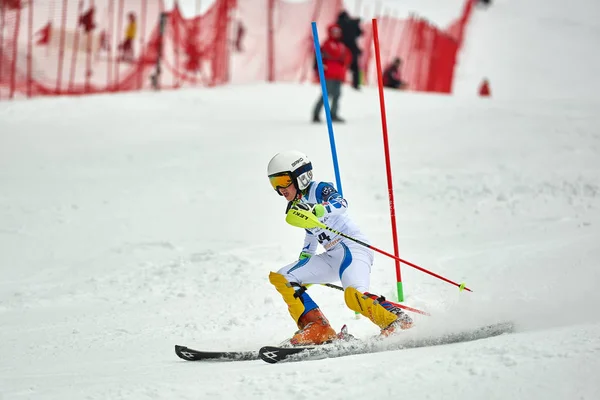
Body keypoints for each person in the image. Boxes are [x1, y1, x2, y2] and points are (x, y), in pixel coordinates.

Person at [266, 150, 414, 346]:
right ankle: (318, 328)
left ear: (301, 177)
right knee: (284, 277)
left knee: (353, 296)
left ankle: (397, 322)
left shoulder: (319, 189)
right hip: (332, 255)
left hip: (353, 248)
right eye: (274, 184)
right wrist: (305, 260)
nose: (280, 189)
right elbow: (311, 233)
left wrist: (320, 209)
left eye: (283, 181)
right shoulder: (298, 205)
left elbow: (341, 203)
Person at [312, 24, 351, 124]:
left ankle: (333, 114)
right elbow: (324, 56)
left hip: (338, 74)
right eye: (334, 32)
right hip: (328, 74)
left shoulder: (342, 46)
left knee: (337, 95)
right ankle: (316, 114)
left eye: (338, 32)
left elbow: (347, 57)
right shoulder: (327, 44)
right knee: (325, 95)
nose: (336, 34)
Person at [336, 11, 363, 90]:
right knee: (355, 67)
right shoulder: (353, 23)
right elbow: (360, 33)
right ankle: (356, 84)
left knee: (340, 65)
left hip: (342, 49)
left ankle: (338, 81)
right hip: (352, 49)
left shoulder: (339, 23)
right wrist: (356, 23)